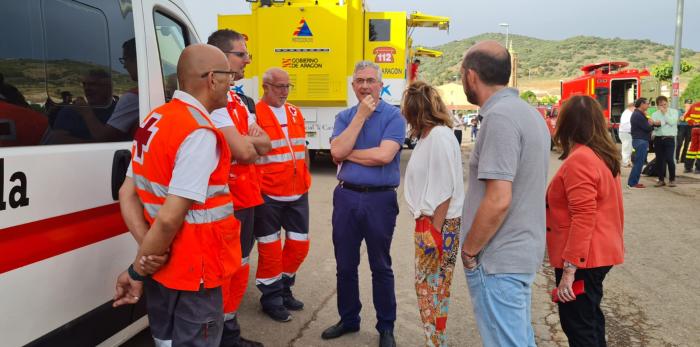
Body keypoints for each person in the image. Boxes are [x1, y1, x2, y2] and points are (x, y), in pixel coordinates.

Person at [112, 44, 241, 347]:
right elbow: (170, 218)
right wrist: (138, 268)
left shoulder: (154, 119)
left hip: (162, 271)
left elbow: (126, 192)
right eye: (228, 76)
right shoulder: (198, 132)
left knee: (164, 340)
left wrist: (148, 257)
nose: (231, 83)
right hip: (195, 272)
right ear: (212, 79)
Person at [458, 41, 550, 347]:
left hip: (497, 258)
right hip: (518, 254)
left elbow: (498, 199)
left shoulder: (500, 119)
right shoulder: (529, 114)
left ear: (471, 76)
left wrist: (470, 251)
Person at [322, 60, 405, 347]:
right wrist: (359, 117)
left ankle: (386, 327)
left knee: (380, 265)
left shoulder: (394, 117)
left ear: (381, 85)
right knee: (345, 264)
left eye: (371, 80)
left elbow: (384, 156)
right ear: (353, 85)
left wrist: (347, 153)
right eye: (360, 81)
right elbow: (335, 151)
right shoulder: (345, 116)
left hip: (380, 199)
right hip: (346, 196)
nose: (366, 85)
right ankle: (348, 319)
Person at [208, 29, 271, 347]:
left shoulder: (237, 98)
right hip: (224, 204)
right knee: (223, 271)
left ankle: (229, 332)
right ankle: (220, 336)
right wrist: (247, 143)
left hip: (246, 199)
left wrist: (245, 142)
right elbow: (249, 150)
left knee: (240, 268)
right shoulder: (214, 102)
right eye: (242, 54)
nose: (248, 59)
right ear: (221, 59)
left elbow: (265, 143)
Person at [546, 95, 624, 347]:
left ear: (568, 124)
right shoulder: (602, 155)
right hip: (598, 253)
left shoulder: (580, 160)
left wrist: (570, 270)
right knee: (589, 319)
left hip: (584, 257)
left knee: (579, 326)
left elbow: (583, 215)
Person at [402, 81, 464, 347]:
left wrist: (434, 232)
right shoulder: (430, 135)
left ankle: (436, 343)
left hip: (437, 225)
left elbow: (444, 188)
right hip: (430, 223)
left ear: (416, 111)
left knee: (433, 291)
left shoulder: (438, 136)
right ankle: (435, 341)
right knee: (429, 290)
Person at [254, 67, 311, 322]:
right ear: (265, 87)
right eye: (280, 87)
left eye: (288, 86)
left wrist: (305, 175)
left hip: (298, 192)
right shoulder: (254, 114)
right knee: (270, 250)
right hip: (268, 194)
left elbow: (302, 149)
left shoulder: (295, 112)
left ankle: (284, 287)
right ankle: (271, 298)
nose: (285, 92)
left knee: (299, 246)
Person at [628, 98, 659, 188]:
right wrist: (653, 124)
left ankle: (634, 182)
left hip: (640, 140)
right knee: (638, 163)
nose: (648, 105)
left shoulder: (640, 114)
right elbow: (647, 128)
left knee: (639, 162)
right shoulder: (638, 115)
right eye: (647, 104)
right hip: (640, 141)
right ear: (642, 104)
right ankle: (632, 183)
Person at [651, 96, 678, 187]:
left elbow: (672, 122)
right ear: (658, 105)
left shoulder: (674, 112)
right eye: (661, 105)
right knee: (659, 160)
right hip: (658, 138)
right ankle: (661, 179)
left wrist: (664, 114)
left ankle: (672, 179)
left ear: (667, 103)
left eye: (665, 104)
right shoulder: (655, 114)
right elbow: (654, 127)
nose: (663, 106)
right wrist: (656, 124)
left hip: (669, 138)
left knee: (670, 159)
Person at [683, 100, 700, 173]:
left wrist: (693, 122)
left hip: (694, 129)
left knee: (692, 148)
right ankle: (698, 168)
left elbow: (686, 117)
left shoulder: (694, 105)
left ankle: (688, 167)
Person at [618, 102, 635, 168]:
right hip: (626, 133)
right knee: (626, 148)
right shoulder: (628, 113)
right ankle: (625, 162)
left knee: (628, 148)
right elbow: (627, 124)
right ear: (631, 107)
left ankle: (628, 161)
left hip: (625, 132)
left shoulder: (627, 113)